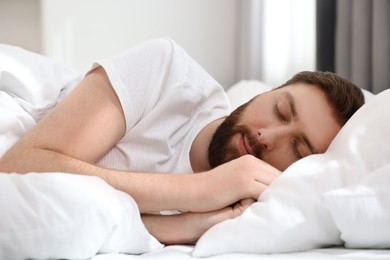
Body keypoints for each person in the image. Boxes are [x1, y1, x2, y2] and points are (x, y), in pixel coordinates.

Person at [0, 38, 364, 244]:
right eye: (281, 111)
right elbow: (22, 163)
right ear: (266, 93)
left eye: (297, 149)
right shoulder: (168, 72)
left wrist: (185, 227)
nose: (265, 137)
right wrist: (196, 190)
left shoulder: (250, 212)